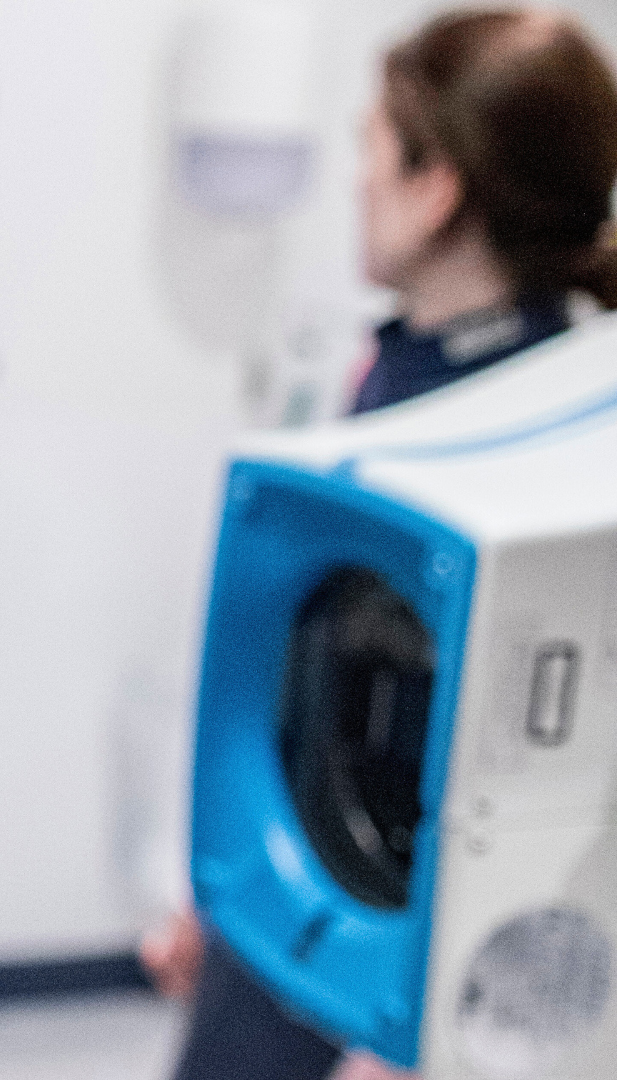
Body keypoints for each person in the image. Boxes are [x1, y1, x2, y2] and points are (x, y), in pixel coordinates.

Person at [147, 9, 617, 1080]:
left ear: (436, 185)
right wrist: (225, 889)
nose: (354, 183)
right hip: (298, 898)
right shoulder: (384, 378)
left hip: (421, 989)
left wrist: (401, 1049)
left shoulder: (573, 442)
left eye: (370, 149)